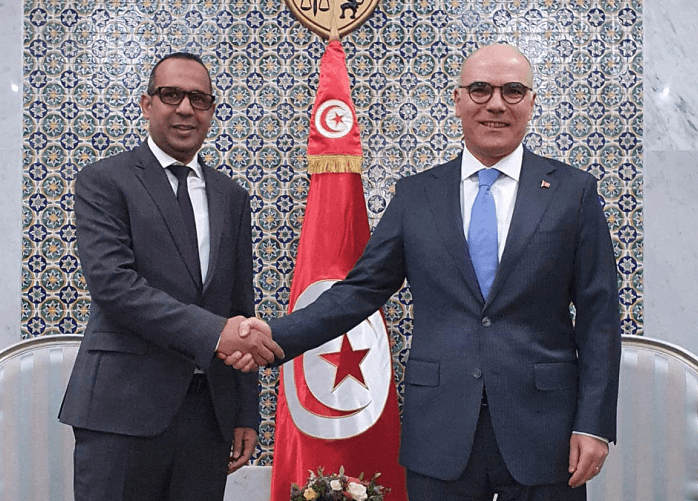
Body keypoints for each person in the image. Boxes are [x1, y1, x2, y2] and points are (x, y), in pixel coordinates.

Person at [234, 44, 621, 500]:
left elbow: (599, 318)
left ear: (531, 102)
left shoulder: (572, 192)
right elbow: (359, 291)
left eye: (512, 91)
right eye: (480, 90)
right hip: (440, 430)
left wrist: (593, 424)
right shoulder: (417, 195)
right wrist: (276, 336)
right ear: (457, 100)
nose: (495, 104)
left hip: (544, 430)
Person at [59, 52, 284, 501]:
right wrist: (216, 333)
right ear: (147, 105)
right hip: (121, 412)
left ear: (212, 111)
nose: (185, 108)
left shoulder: (231, 196)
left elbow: (239, 305)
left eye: (199, 99)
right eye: (171, 95)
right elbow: (114, 286)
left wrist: (245, 411)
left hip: (208, 416)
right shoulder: (105, 180)